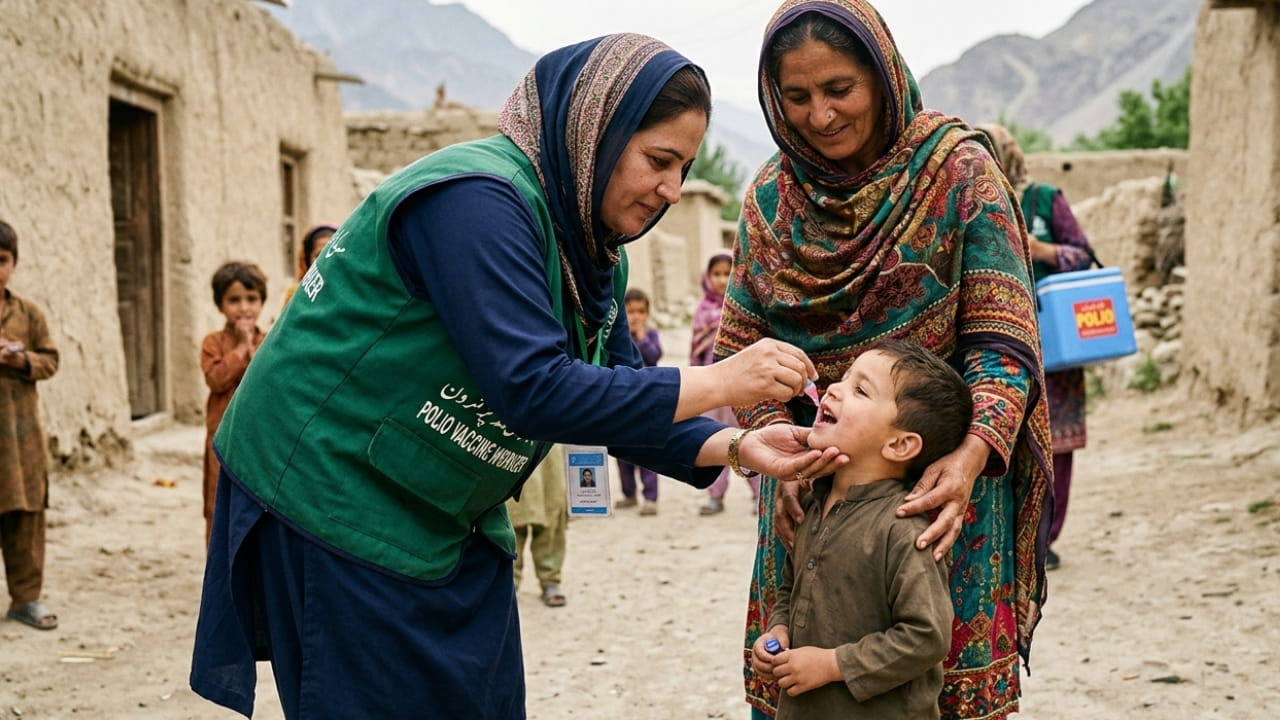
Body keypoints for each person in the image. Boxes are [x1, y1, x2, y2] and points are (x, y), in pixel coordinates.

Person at [189, 33, 846, 720]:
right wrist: (723, 382)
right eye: (658, 161)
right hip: (334, 488)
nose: (672, 191)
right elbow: (532, 387)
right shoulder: (478, 202)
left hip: (441, 501)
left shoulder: (593, 253)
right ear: (596, 131)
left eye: (682, 168)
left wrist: (737, 448)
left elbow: (614, 391)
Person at [714, 3, 1054, 719]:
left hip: (940, 488)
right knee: (805, 674)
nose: (820, 116)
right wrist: (786, 457)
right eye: (796, 97)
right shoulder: (771, 200)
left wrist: (963, 462)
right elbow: (744, 348)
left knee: (934, 678)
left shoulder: (960, 174)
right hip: (817, 485)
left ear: (882, 73)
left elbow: (1003, 342)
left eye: (840, 89)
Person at [751, 339, 972, 719]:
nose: (834, 388)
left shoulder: (903, 531)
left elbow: (927, 636)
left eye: (860, 389)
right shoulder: (814, 504)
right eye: (844, 377)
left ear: (900, 444)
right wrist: (779, 630)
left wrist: (834, 665)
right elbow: (791, 587)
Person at [977, 123, 1097, 572]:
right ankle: (1003, 538)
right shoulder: (972, 198)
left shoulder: (1044, 200)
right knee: (995, 433)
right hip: (998, 343)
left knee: (1057, 442)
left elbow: (1083, 255)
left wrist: (1039, 249)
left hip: (1054, 344)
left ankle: (1044, 540)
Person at [0, 220, 60, 631]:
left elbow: (51, 359)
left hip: (19, 441)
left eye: (1, 260)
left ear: (14, 264)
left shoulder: (28, 314)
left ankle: (26, 598)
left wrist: (21, 361)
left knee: (24, 515)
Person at [199, 261, 267, 545]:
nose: (243, 308)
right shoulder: (213, 343)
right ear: (220, 304)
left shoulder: (270, 341)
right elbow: (216, 380)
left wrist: (254, 350)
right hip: (221, 441)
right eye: (234, 300)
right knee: (218, 508)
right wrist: (240, 348)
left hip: (259, 440)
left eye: (251, 299)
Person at [693, 252, 760, 516]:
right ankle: (715, 496)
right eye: (716, 274)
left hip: (742, 388)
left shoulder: (743, 309)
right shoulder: (702, 312)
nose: (722, 280)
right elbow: (695, 354)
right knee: (714, 441)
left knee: (750, 440)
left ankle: (757, 494)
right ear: (707, 278)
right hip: (712, 390)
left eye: (727, 274)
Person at [615, 287, 662, 514]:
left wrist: (641, 337)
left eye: (640, 312)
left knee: (647, 453)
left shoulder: (651, 335)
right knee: (622, 454)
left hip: (647, 403)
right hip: (623, 403)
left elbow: (654, 356)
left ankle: (650, 498)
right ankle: (629, 494)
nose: (635, 316)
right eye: (630, 311)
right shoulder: (619, 338)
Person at [507, 447, 569, 607]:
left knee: (551, 511)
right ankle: (509, 581)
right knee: (510, 519)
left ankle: (550, 579)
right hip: (514, 443)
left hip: (549, 444)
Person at [282, 224, 336, 304]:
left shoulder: (352, 292)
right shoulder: (296, 296)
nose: (327, 260)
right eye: (319, 255)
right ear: (307, 260)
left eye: (332, 253)